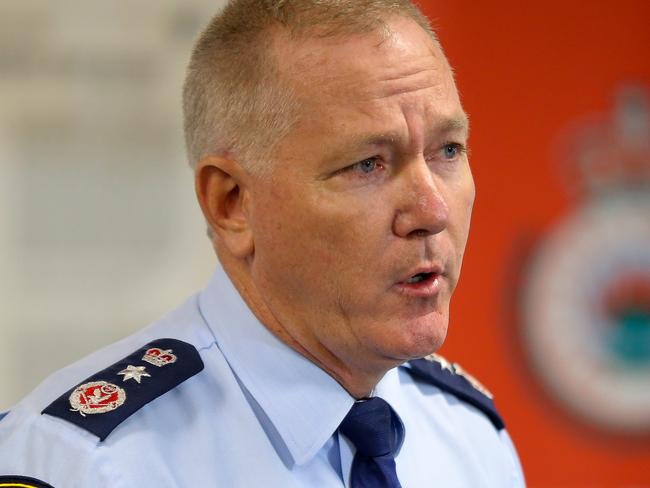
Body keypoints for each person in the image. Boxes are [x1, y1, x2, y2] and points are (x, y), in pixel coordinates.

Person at [0, 1, 525, 486]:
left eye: (448, 150)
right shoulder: (82, 464)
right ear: (231, 203)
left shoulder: (470, 440)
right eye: (368, 164)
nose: (432, 213)